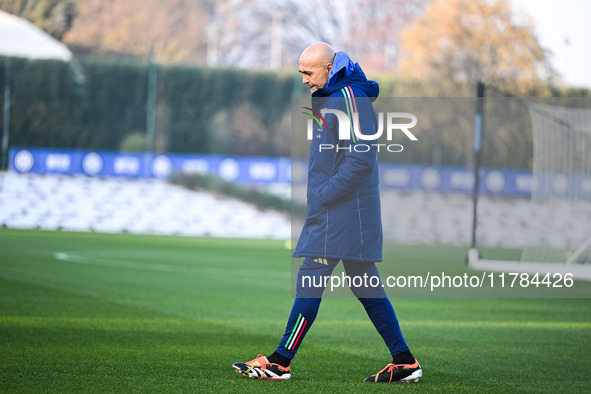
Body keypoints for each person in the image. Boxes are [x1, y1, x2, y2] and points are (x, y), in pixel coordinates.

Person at [232, 42, 421, 383]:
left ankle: (279, 362)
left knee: (310, 277)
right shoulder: (335, 98)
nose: (303, 80)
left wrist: (323, 196)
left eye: (308, 72)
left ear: (327, 68)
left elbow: (362, 157)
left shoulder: (350, 97)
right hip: (342, 212)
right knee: (365, 286)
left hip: (342, 213)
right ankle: (405, 361)